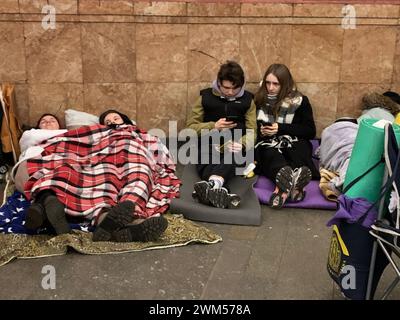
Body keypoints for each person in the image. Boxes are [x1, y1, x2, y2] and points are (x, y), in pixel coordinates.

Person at [24, 110, 180, 242]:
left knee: (139, 176)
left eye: (116, 118)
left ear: (124, 120)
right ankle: (113, 222)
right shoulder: (99, 132)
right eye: (107, 121)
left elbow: (161, 153)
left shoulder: (140, 133)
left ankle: (129, 219)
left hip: (135, 155)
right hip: (107, 159)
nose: (112, 122)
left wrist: (163, 167)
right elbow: (80, 143)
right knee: (104, 184)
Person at [187, 60, 257, 209]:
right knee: (205, 157)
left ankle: (211, 185)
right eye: (226, 88)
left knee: (234, 155)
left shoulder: (248, 101)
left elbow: (252, 131)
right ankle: (221, 189)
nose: (230, 92)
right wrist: (214, 126)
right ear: (219, 83)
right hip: (209, 142)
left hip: (235, 144)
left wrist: (242, 144)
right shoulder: (204, 98)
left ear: (242, 85)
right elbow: (190, 128)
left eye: (235, 88)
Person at [254, 63, 318, 209]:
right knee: (269, 152)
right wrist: (262, 131)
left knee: (298, 148)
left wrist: (280, 128)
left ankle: (282, 189)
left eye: (276, 84)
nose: (270, 88)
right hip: (268, 142)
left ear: (285, 84)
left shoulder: (300, 101)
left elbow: (309, 131)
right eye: (268, 83)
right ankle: (292, 185)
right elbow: (251, 126)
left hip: (292, 140)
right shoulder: (258, 99)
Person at [13, 113, 71, 235]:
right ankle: (48, 204)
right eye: (43, 121)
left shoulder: (69, 135)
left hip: (58, 159)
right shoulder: (30, 134)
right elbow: (29, 137)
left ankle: (41, 206)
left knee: (62, 172)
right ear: (37, 127)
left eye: (52, 120)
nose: (48, 122)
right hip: (33, 160)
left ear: (59, 126)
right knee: (27, 174)